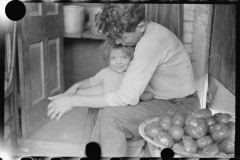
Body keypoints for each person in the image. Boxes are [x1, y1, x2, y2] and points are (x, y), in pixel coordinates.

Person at [47, 4, 200, 157]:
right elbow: (106, 88)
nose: (119, 43)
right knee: (95, 107)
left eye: (123, 37)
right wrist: (75, 93)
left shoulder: (150, 43)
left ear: (140, 26)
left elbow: (127, 97)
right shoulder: (148, 32)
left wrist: (73, 101)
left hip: (180, 106)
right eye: (116, 38)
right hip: (164, 100)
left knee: (111, 116)